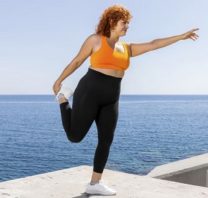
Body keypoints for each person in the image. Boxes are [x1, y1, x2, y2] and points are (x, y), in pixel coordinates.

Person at [52, 4, 199, 196]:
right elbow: (77, 61)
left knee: (106, 139)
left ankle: (95, 183)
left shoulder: (126, 48)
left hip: (112, 97)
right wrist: (59, 81)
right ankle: (63, 100)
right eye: (124, 23)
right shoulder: (95, 40)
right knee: (75, 136)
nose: (127, 27)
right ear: (112, 21)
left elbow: (154, 44)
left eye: (128, 24)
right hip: (89, 91)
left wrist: (180, 37)